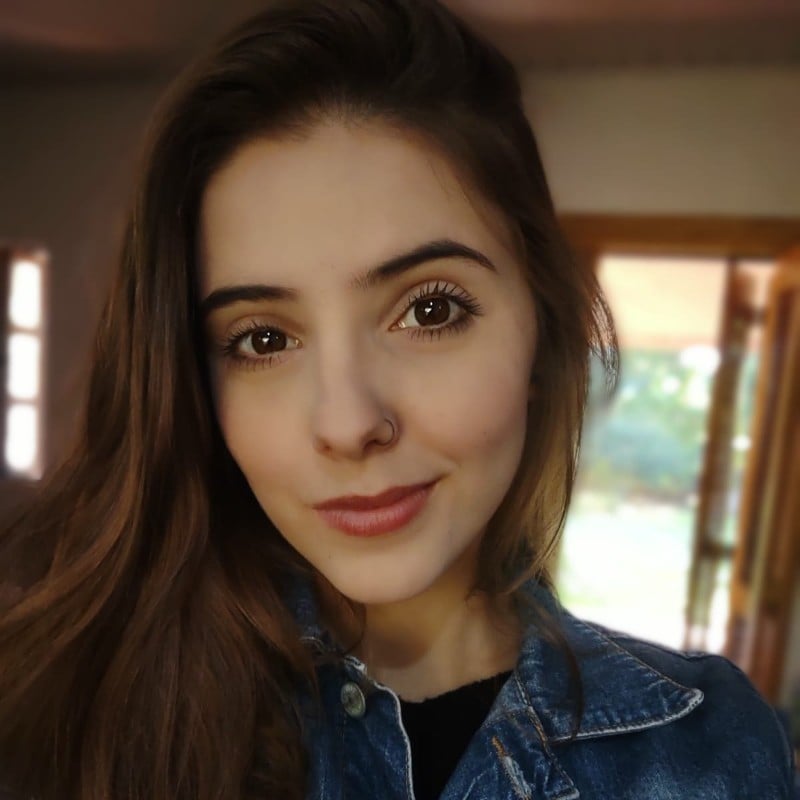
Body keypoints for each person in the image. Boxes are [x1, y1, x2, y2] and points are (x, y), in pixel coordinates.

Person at [0, 1, 793, 798]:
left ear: (542, 332)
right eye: (263, 339)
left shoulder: (712, 753)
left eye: (430, 309)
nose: (349, 424)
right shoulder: (67, 715)